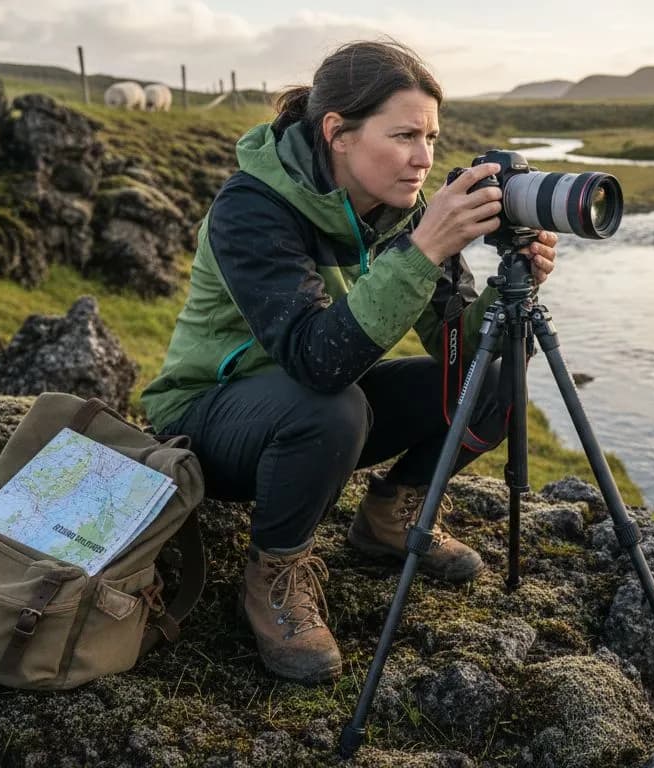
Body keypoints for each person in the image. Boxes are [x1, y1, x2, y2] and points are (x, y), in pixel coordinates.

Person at [139, 40, 558, 683]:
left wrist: (514, 290)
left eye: (431, 137)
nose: (424, 159)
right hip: (207, 421)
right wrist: (423, 251)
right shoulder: (252, 208)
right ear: (337, 132)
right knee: (334, 405)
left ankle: (392, 515)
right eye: (404, 136)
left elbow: (457, 346)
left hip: (317, 407)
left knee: (495, 381)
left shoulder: (402, 212)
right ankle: (274, 572)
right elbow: (319, 361)